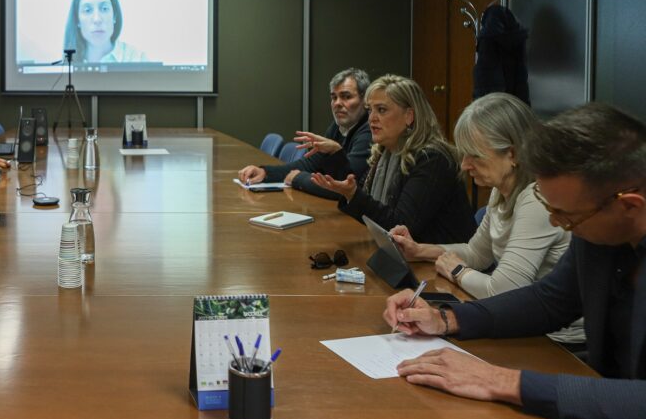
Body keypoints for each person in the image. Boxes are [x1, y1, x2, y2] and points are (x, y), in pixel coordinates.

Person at [385, 103, 646, 419]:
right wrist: (446, 319)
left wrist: (504, 382)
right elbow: (551, 300)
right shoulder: (600, 225)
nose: (556, 223)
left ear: (630, 205)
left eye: (566, 216)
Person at [390, 93, 584, 346]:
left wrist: (458, 271)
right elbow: (477, 253)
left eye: (475, 156)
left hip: (557, 342)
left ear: (512, 155)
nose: (464, 165)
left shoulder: (537, 199)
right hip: (524, 325)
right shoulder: (501, 189)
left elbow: (504, 290)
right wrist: (420, 250)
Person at [311, 74, 476, 244]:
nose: (371, 118)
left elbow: (400, 227)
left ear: (409, 116)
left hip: (444, 264)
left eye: (381, 110)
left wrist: (353, 195)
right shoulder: (385, 153)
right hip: (409, 258)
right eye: (370, 110)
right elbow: (365, 201)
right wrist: (337, 155)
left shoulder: (432, 160)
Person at [236, 68, 373, 200]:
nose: (337, 103)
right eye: (334, 97)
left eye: (346, 97)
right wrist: (266, 173)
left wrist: (299, 179)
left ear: (365, 100)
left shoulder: (370, 131)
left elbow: (345, 187)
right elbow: (311, 164)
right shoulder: (337, 127)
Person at [63, 0, 147, 64]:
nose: (97, 19)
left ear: (114, 16)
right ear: (77, 20)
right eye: (88, 10)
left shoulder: (137, 59)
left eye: (104, 9)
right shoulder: (67, 64)